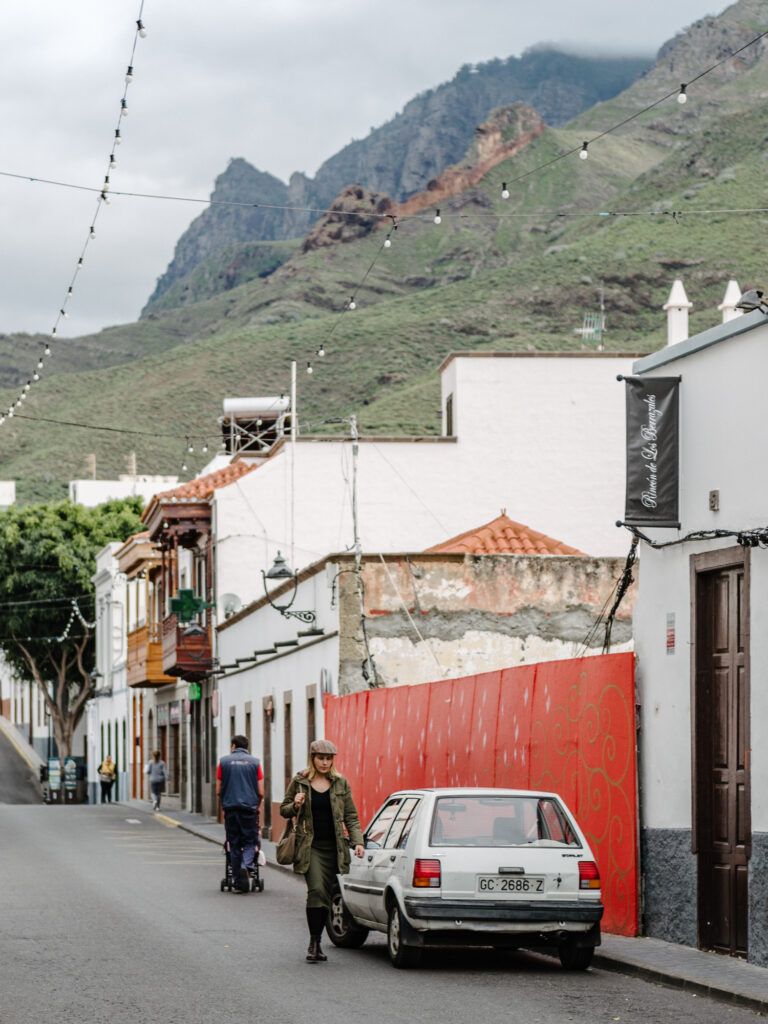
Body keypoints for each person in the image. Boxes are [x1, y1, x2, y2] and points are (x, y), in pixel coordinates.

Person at [280, 738, 364, 963]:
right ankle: (314, 941)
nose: (325, 763)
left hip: (334, 849)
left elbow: (351, 816)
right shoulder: (300, 781)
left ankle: (317, 942)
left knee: (325, 897)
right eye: (320, 758)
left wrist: (358, 842)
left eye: (328, 759)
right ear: (312, 758)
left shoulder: (340, 783)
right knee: (316, 891)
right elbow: (283, 810)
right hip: (311, 847)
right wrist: (295, 805)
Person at [216, 735, 264, 894]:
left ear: (233, 746)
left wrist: (224, 805)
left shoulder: (223, 762)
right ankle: (247, 865)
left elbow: (218, 790)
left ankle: (237, 883)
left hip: (230, 809)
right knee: (250, 841)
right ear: (247, 747)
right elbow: (261, 791)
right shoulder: (255, 763)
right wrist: (257, 806)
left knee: (234, 844)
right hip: (249, 809)